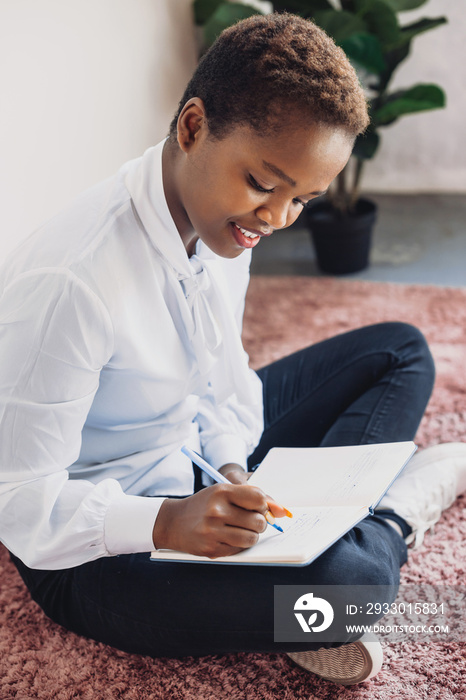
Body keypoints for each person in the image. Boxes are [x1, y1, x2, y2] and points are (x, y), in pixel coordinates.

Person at [0, 12, 465, 687]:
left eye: (302, 198)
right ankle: (394, 512)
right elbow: (17, 499)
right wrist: (166, 523)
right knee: (351, 587)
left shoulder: (224, 222)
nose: (276, 218)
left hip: (188, 455)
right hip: (94, 551)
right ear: (193, 128)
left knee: (400, 352)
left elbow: (219, 376)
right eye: (264, 185)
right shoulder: (72, 283)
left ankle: (319, 536)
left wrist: (232, 465)